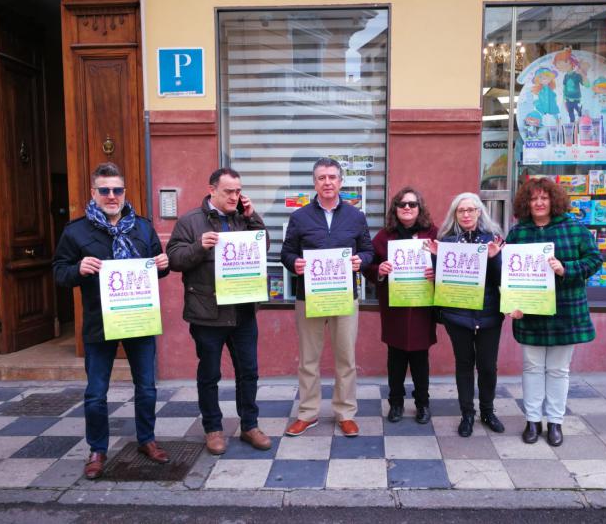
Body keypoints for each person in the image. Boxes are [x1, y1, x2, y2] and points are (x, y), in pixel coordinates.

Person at [53, 162, 170, 480]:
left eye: (117, 189)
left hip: (138, 319)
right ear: (94, 193)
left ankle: (147, 440)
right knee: (96, 393)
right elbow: (59, 273)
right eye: (104, 190)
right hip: (99, 322)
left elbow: (158, 267)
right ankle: (97, 449)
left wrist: (163, 263)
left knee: (146, 387)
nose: (111, 196)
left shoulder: (143, 228)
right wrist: (78, 268)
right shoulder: (75, 231)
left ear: (124, 192)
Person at [166, 167, 271, 455]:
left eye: (238, 191)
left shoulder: (244, 218)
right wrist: (199, 247)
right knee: (209, 374)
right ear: (212, 190)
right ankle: (213, 429)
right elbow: (174, 260)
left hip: (243, 311)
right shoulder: (190, 221)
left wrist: (253, 218)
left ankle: (250, 425)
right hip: (207, 312)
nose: (235, 197)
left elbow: (264, 247)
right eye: (229, 191)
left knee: (248, 372)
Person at [281, 157, 374, 437]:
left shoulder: (356, 216)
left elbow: (369, 250)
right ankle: (308, 413)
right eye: (322, 178)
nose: (327, 182)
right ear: (314, 182)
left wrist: (362, 260)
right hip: (309, 296)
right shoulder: (299, 217)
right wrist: (293, 263)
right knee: (308, 359)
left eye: (332, 177)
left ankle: (345, 412)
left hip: (345, 296)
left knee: (345, 358)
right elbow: (286, 252)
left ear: (341, 182)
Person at [506, 178, 602, 447]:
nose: (538, 203)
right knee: (532, 368)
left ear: (553, 200)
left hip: (565, 311)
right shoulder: (518, 233)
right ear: (526, 203)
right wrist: (511, 303)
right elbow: (510, 273)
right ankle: (533, 421)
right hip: (530, 311)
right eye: (533, 199)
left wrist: (566, 269)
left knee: (559, 370)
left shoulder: (574, 228)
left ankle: (555, 422)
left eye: (544, 198)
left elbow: (595, 260)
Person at [428, 193, 506, 437]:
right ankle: (467, 414)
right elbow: (442, 281)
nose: (467, 214)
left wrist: (493, 259)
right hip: (457, 315)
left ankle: (487, 411)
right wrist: (434, 258)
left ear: (479, 212)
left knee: (487, 367)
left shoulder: (494, 240)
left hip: (489, 313)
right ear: (455, 215)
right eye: (461, 211)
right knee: (464, 364)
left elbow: (501, 279)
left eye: (471, 210)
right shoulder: (446, 241)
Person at [363, 187, 437, 424]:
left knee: (420, 360)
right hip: (395, 308)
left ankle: (422, 404)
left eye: (412, 204)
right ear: (395, 209)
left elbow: (446, 263)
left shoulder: (433, 234)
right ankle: (396, 403)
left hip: (422, 308)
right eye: (402, 204)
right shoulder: (385, 236)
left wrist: (436, 272)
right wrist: (380, 271)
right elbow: (368, 265)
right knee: (395, 359)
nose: (407, 208)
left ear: (419, 208)